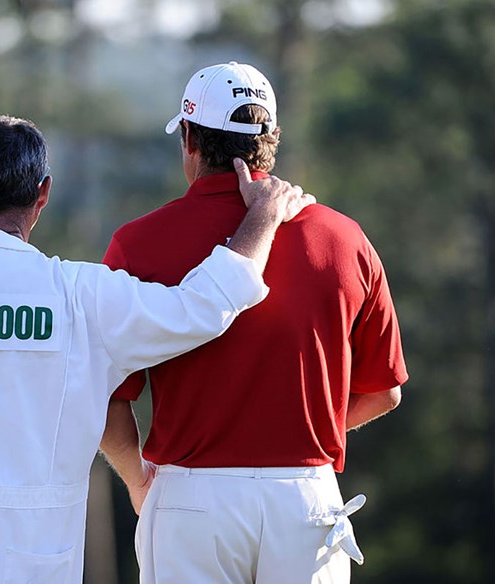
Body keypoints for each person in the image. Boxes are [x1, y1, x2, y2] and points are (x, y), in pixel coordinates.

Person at [0, 114, 313, 583]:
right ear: (44, 193)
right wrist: (264, 216)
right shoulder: (81, 296)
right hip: (30, 558)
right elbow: (204, 307)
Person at [99, 62, 409, 584]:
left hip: (189, 500)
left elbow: (108, 395)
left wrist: (137, 478)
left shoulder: (138, 244)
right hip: (307, 504)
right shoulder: (346, 239)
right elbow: (384, 392)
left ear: (191, 139)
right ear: (271, 142)